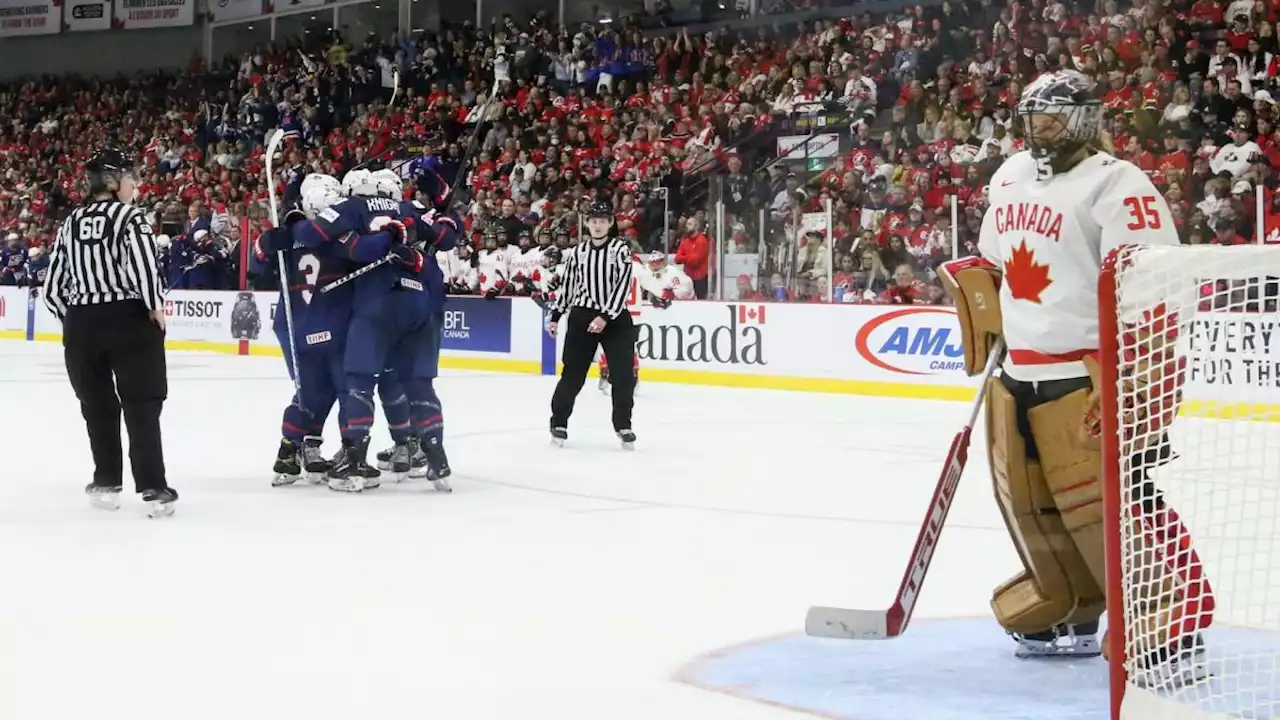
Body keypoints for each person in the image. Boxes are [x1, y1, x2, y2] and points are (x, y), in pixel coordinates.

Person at [939, 70, 1213, 674]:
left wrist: (1141, 375)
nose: (1039, 127)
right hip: (1019, 371)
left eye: (1053, 115)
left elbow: (1156, 285)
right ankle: (1071, 603)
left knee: (1108, 502)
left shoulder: (1118, 184)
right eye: (1032, 115)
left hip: (1086, 372)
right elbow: (994, 264)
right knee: (1031, 502)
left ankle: (1169, 620)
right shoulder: (1008, 175)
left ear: (1086, 118)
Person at [42, 147, 178, 517]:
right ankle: (153, 487)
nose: (136, 184)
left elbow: (52, 289)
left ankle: (106, 482)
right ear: (114, 181)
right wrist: (154, 310)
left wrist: (77, 322)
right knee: (142, 406)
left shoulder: (71, 222)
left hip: (81, 325)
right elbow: (145, 270)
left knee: (97, 406)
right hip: (128, 319)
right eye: (132, 178)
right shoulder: (130, 218)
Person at [252, 172, 353, 488]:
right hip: (329, 322)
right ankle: (339, 451)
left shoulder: (289, 231)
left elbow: (254, 268)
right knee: (340, 388)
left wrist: (265, 245)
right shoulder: (335, 235)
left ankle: (294, 449)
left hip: (293, 324)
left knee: (310, 389)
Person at [547, 200, 639, 449]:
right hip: (582, 316)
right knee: (573, 374)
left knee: (622, 376)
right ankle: (559, 422)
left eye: (602, 221)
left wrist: (605, 316)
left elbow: (623, 285)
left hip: (615, 319)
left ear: (610, 224)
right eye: (593, 221)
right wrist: (556, 315)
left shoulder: (620, 250)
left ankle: (623, 425)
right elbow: (569, 286)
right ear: (587, 224)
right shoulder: (578, 252)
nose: (597, 226)